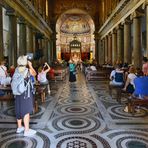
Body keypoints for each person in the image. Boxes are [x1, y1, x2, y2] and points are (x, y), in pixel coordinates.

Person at [14, 55, 37, 136]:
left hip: (17, 93)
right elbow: (34, 74)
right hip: (25, 94)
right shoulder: (27, 70)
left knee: (18, 109)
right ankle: (26, 130)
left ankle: (19, 127)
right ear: (25, 62)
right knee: (26, 110)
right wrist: (30, 65)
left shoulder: (16, 70)